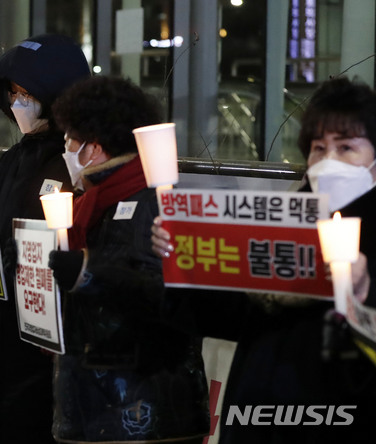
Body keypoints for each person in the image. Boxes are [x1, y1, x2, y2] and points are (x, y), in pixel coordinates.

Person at [151, 76, 376, 443]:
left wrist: (362, 294)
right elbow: (228, 316)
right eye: (319, 149)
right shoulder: (280, 227)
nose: (328, 161)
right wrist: (183, 264)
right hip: (256, 418)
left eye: (347, 147)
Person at [44, 76, 210, 443]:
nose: (66, 148)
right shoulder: (94, 202)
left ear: (95, 147)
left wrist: (87, 273)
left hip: (144, 409)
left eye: (72, 138)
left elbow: (159, 297)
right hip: (98, 404)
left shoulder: (152, 203)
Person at [0, 34, 90, 443]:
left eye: (28, 93)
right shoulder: (15, 157)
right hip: (5, 321)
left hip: (53, 328)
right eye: (13, 93)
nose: (18, 102)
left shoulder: (76, 161)